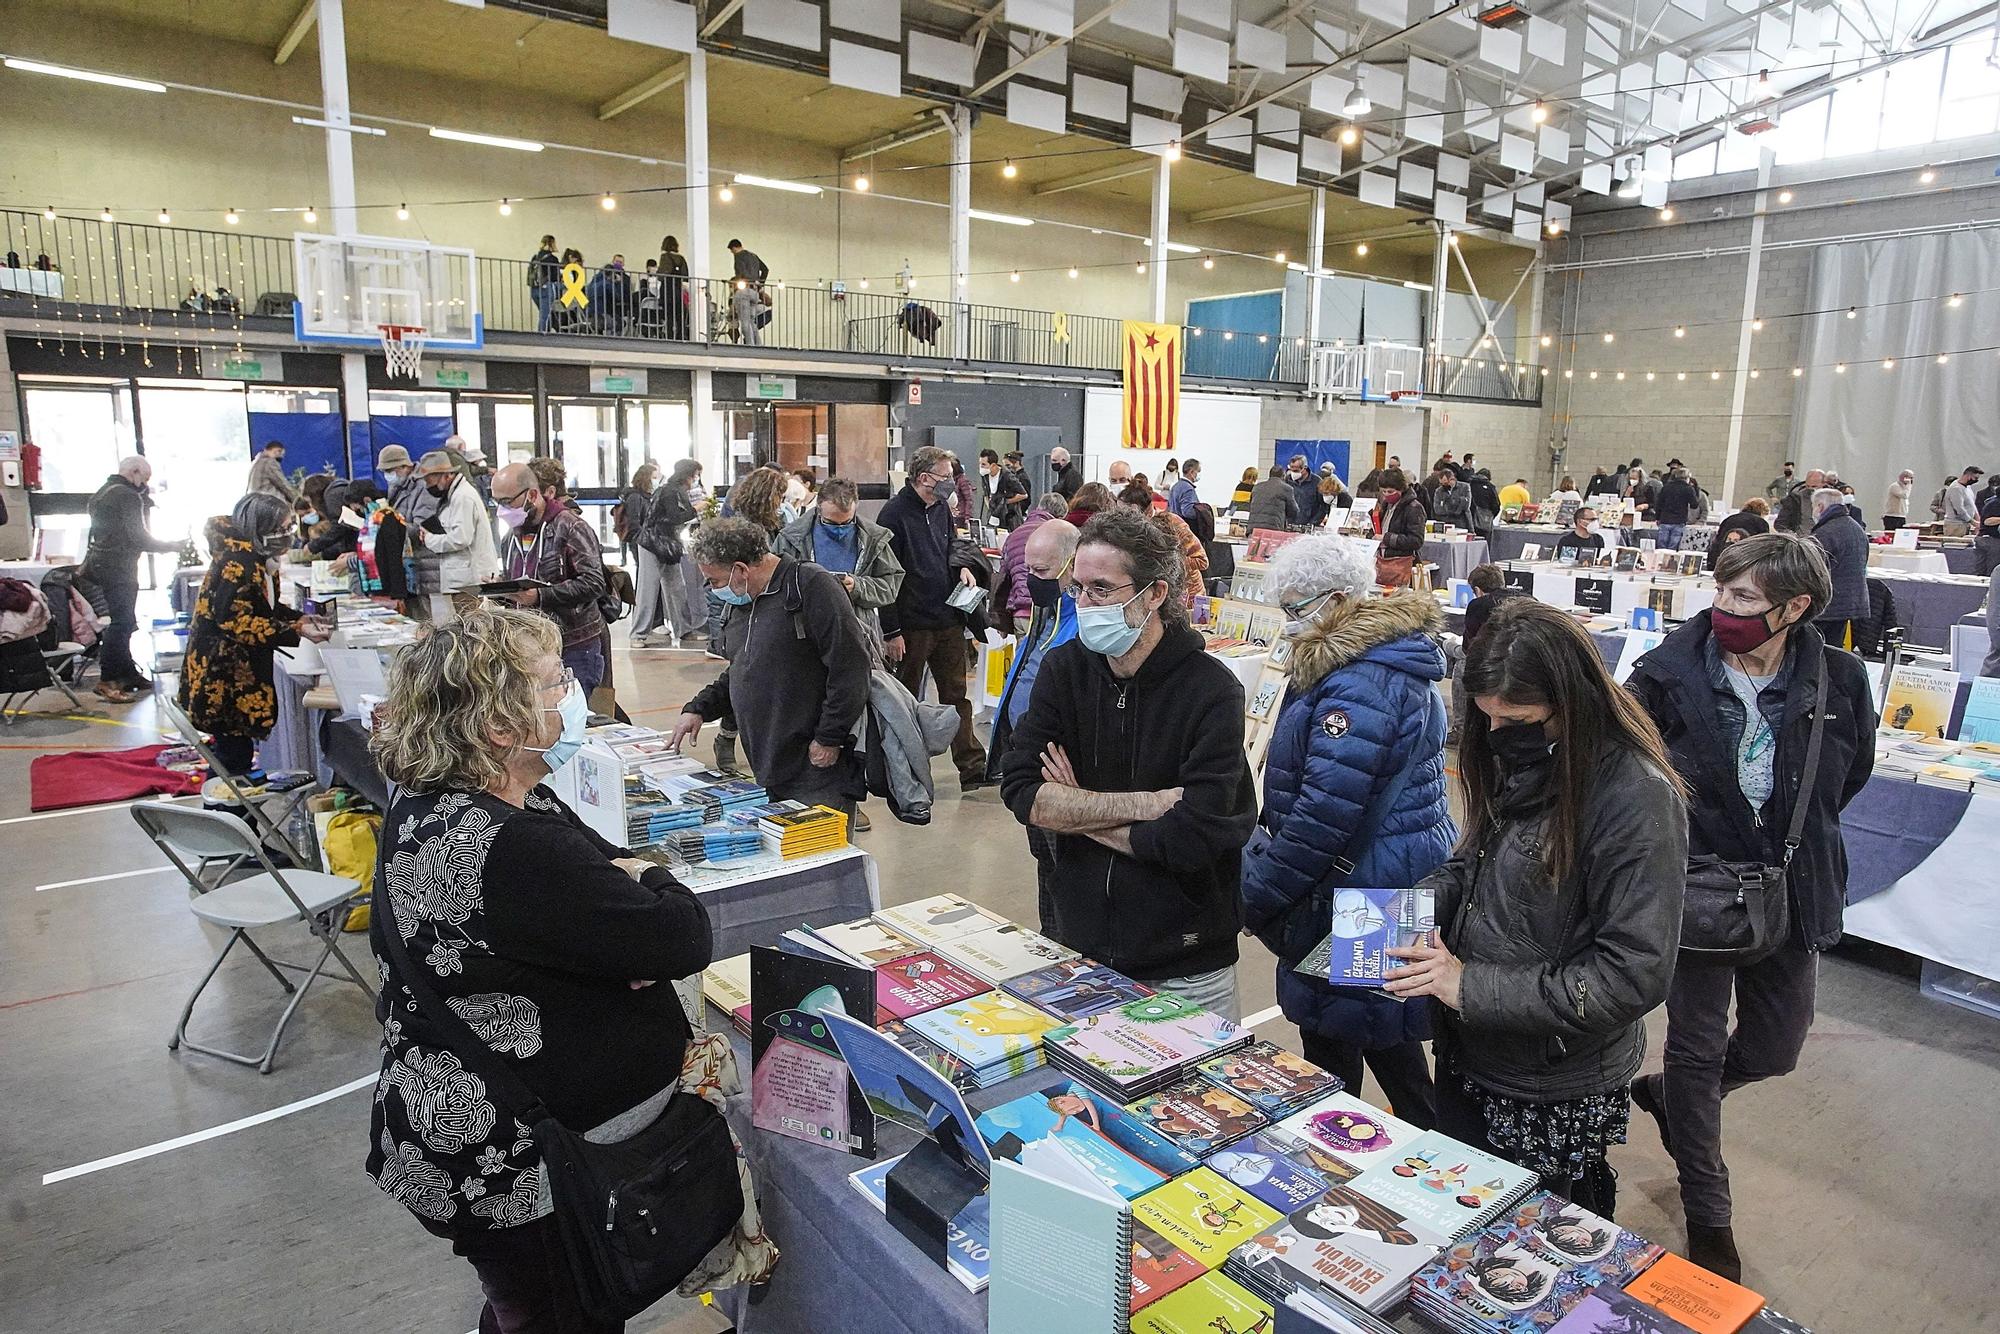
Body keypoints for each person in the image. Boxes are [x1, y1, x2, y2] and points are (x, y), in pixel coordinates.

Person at [365, 606, 719, 1332]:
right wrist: (651, 877)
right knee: (560, 1312)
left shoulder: (445, 803)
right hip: (521, 1164)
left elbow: (594, 876)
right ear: (500, 726)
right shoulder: (518, 848)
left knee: (525, 1305)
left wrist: (618, 901)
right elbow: (679, 934)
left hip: (456, 1134)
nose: (575, 693)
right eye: (556, 682)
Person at [1385, 599, 1687, 1218]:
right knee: (1465, 1220)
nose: (1497, 736)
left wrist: (1469, 985)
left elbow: (1634, 973)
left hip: (1554, 1078)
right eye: (1486, 718)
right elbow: (1474, 861)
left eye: (1517, 719)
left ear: (1570, 705)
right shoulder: (1525, 756)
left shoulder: (1635, 799)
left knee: (1538, 1247)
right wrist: (1411, 910)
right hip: (1473, 1052)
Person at [1627, 532, 1875, 1277]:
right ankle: (1710, 1211)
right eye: (1721, 590)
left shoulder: (1840, 679)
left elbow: (1848, 775)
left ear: (1794, 608)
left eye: (1743, 598)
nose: (1722, 607)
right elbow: (1632, 779)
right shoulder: (1664, 677)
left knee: (1776, 1047)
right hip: (1700, 889)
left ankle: (1670, 1098)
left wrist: (1789, 838)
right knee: (1697, 1049)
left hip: (1793, 893)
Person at [1000, 509, 1257, 1019]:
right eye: (1077, 588)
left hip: (1187, 965)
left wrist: (1077, 813)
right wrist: (1150, 804)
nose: (1084, 603)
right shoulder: (1064, 670)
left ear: (1155, 593)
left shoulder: (1211, 691)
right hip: (1082, 951)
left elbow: (1191, 837)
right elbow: (1023, 792)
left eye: (1101, 589)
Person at [1241, 535, 1450, 1125]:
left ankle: (1347, 1163)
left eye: (1296, 609)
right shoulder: (1376, 664)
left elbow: (1323, 818)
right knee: (1384, 1031)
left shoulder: (1359, 685)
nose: (1289, 624)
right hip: (1385, 878)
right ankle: (1423, 1146)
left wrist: (1257, 893)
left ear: (1336, 602)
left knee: (1337, 1038)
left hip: (1363, 891)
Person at [671, 518, 871, 816]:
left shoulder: (812, 587)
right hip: (769, 762)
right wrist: (699, 708)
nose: (713, 590)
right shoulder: (746, 600)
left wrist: (829, 737)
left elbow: (851, 669)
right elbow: (745, 668)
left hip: (815, 766)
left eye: (714, 581)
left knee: (820, 858)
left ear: (741, 569)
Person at [179, 493, 331, 774]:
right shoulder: (237, 564)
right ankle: (227, 816)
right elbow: (237, 622)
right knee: (232, 761)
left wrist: (299, 618)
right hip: (224, 679)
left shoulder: (259, 558)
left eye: (289, 527)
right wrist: (296, 630)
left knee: (235, 756)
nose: (287, 535)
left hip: (237, 674)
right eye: (281, 529)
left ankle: (230, 813)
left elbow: (263, 605)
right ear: (260, 530)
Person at [988, 518, 1080, 927]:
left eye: (1042, 572)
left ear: (1071, 566)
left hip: (1061, 770)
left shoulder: (1085, 621)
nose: (1031, 582)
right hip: (1031, 767)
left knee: (1066, 872)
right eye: (1028, 571)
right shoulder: (1046, 614)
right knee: (1045, 862)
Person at [879, 446, 987, 790]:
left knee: (957, 695)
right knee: (905, 700)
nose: (952, 483)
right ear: (924, 478)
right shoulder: (892, 516)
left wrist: (964, 568)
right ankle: (907, 768)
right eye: (946, 476)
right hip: (911, 626)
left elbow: (950, 548)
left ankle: (972, 768)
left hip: (948, 619)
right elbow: (886, 577)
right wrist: (891, 630)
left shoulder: (941, 508)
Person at [491, 461, 609, 694]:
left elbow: (594, 582)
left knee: (570, 718)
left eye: (506, 502)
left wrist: (541, 596)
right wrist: (501, 589)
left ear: (533, 494)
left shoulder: (571, 527)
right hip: (529, 645)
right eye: (496, 502)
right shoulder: (510, 538)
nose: (501, 510)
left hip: (574, 645)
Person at [80, 456, 182, 702]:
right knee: (122, 623)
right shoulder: (126, 495)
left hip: (101, 564)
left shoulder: (102, 492)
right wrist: (172, 546)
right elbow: (139, 537)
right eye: (144, 479)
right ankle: (108, 680)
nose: (144, 485)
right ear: (134, 472)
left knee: (124, 620)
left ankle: (127, 674)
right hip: (119, 568)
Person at [774, 475, 904, 666]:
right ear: (818, 508)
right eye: (831, 523)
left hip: (856, 631)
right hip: (804, 632)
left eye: (847, 522)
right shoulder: (791, 538)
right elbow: (773, 583)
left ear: (855, 508)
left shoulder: (873, 539)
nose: (840, 529)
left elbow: (891, 585)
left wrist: (858, 586)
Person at [408, 449, 499, 621]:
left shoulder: (462, 497)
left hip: (468, 580)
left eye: (429, 479)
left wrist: (429, 539)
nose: (427, 485)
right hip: (461, 578)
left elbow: (460, 538)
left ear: (446, 475)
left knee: (472, 628)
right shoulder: (455, 495)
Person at [632, 459, 703, 647]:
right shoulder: (669, 492)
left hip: (668, 545)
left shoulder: (676, 491)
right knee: (648, 589)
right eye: (695, 475)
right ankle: (638, 634)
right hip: (653, 544)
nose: (696, 479)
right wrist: (697, 509)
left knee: (677, 589)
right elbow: (674, 517)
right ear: (688, 475)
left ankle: (685, 629)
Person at [1117, 483, 1206, 604]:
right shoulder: (1127, 530)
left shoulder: (1173, 523)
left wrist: (1168, 564)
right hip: (1156, 596)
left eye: (1129, 514)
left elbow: (1201, 561)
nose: (1123, 519)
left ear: (1147, 511)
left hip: (1188, 596)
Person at [996, 492, 1066, 633]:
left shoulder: (1014, 534)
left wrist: (1002, 615)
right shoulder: (1056, 535)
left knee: (1022, 654)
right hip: (1046, 613)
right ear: (1060, 517)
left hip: (1020, 613)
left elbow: (1004, 578)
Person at [1808, 487, 1869, 649]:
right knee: (1833, 651)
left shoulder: (1825, 533)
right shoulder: (1856, 529)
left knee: (1817, 652)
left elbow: (1808, 568)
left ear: (1820, 506)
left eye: (1813, 506)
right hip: (1848, 604)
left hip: (1827, 606)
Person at [1373, 468, 1427, 589]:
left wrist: (1386, 538)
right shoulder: (1386, 505)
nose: (1386, 494)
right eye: (1384, 491)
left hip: (1401, 564)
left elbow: (1416, 540)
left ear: (1401, 489)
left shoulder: (1414, 508)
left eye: (1390, 491)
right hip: (1383, 561)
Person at [1461, 562, 1526, 644]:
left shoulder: (1478, 605)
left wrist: (1448, 645)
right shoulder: (1529, 599)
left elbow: (1468, 648)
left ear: (1477, 590)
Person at [375, 444, 437, 527]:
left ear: (404, 466)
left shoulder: (424, 486)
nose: (387, 475)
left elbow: (423, 527)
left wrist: (392, 529)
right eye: (384, 471)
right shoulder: (397, 483)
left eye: (389, 471)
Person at [1707, 499, 1771, 570]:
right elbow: (1764, 547)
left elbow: (1717, 541)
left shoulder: (1729, 519)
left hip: (1722, 559)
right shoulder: (1761, 523)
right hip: (1746, 561)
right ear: (1762, 512)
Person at [726, 239, 768, 347]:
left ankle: (749, 345)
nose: (732, 253)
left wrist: (736, 283)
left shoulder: (738, 256)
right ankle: (758, 344)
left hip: (744, 290)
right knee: (752, 321)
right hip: (755, 292)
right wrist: (760, 284)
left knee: (744, 321)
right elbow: (765, 269)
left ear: (734, 248)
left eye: (732, 251)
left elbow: (740, 272)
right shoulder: (754, 256)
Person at [980, 448, 1029, 530]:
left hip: (1009, 517)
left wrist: (1005, 502)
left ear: (993, 465)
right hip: (993, 516)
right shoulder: (985, 476)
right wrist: (992, 507)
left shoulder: (1007, 476)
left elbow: (1024, 495)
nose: (981, 467)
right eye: (980, 464)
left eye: (984, 464)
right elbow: (986, 494)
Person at [1653, 467, 1697, 552]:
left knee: (1661, 546)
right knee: (1673, 547)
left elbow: (1659, 503)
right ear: (1687, 478)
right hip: (1679, 520)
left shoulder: (1666, 487)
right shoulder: (1688, 488)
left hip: (1665, 519)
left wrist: (1657, 517)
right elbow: (1694, 505)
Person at [1246, 466, 1298, 532]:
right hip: (1273, 530)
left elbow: (1251, 506)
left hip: (1253, 529)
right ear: (1283, 476)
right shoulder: (1287, 489)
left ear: (1269, 475)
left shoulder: (1257, 487)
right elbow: (1294, 511)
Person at [1774, 468, 1826, 533]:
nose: (1810, 489)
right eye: (1807, 486)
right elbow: (1780, 523)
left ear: (1823, 484)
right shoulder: (1794, 499)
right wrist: (1792, 536)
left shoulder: (1833, 498)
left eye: (1814, 486)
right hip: (1801, 538)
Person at [246, 440, 296, 504]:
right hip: (269, 502)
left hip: (254, 502)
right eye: (279, 452)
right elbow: (283, 484)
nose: (280, 456)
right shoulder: (269, 462)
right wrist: (298, 500)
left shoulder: (255, 462)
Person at [528, 234, 560, 332]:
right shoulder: (553, 259)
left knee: (544, 313)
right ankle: (541, 335)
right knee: (544, 316)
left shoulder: (535, 257)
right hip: (546, 288)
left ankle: (550, 330)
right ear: (552, 244)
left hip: (534, 289)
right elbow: (555, 277)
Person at [1167, 458, 1202, 526]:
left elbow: (1169, 507)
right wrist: (1201, 513)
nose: (1199, 474)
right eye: (1198, 471)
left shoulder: (1175, 486)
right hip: (1184, 527)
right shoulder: (1188, 489)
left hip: (1173, 526)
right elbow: (1188, 512)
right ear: (1191, 472)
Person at [1285, 455, 1318, 525]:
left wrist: (1313, 522)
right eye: (1291, 470)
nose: (1293, 473)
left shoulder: (1316, 482)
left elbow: (1322, 507)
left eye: (1296, 471)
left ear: (1305, 468)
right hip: (1289, 524)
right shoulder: (1287, 480)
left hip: (1308, 525)